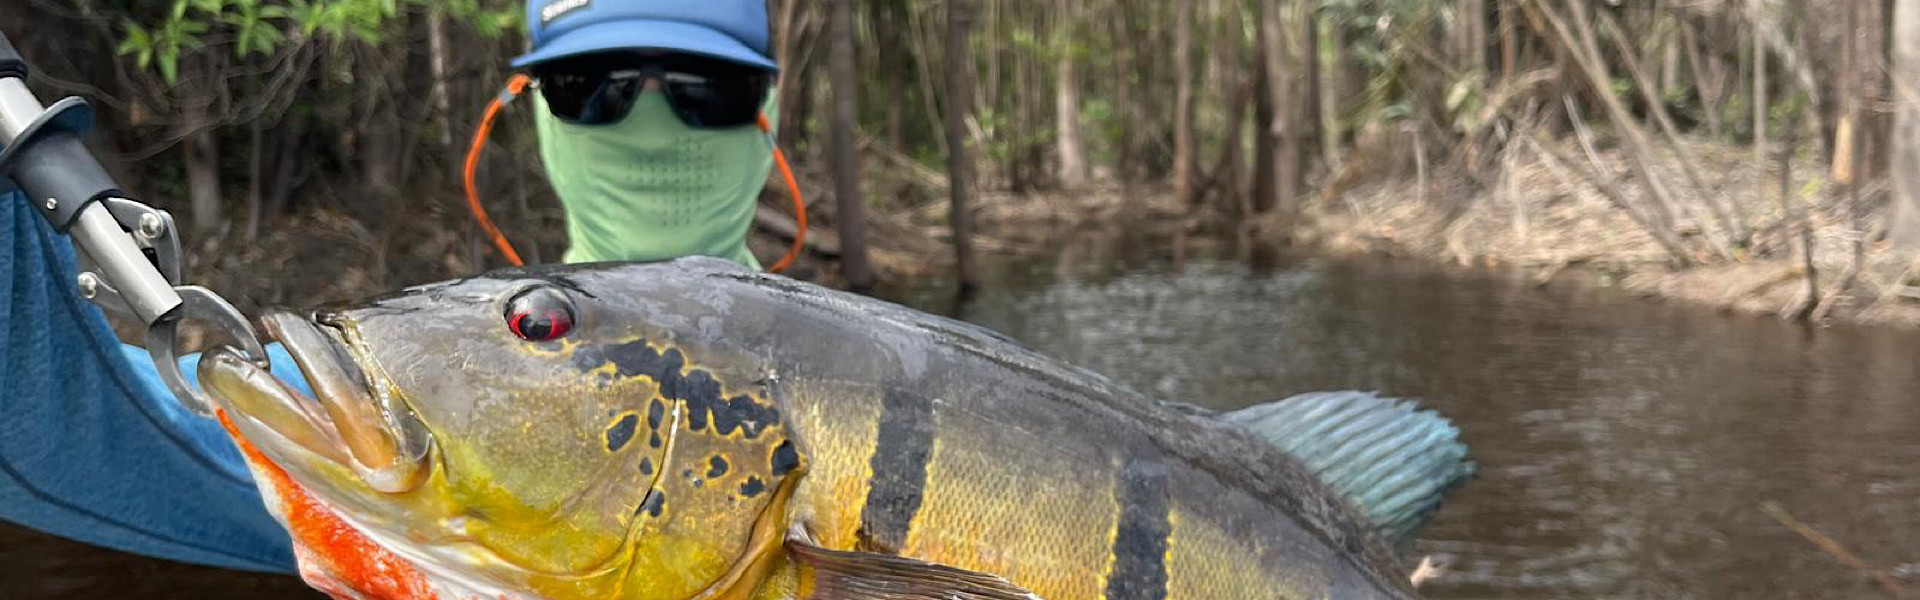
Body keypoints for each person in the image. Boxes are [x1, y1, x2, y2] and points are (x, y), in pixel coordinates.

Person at [0, 0, 782, 575]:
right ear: (534, 114)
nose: (648, 128)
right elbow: (51, 433)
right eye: (588, 87)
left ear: (770, 115)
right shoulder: (421, 398)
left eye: (708, 88)